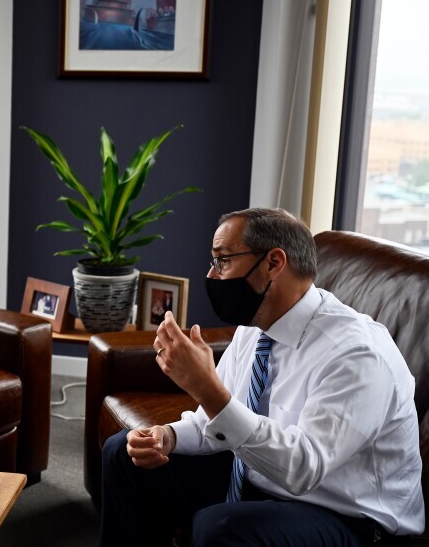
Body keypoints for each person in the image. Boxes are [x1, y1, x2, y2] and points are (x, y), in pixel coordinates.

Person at [100, 208, 424, 546]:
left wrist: (206, 388)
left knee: (220, 527)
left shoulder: (356, 354)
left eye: (222, 260)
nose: (212, 274)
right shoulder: (255, 327)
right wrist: (168, 436)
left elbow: (304, 468)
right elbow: (220, 424)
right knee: (122, 453)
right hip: (263, 476)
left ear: (273, 263)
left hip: (348, 517)